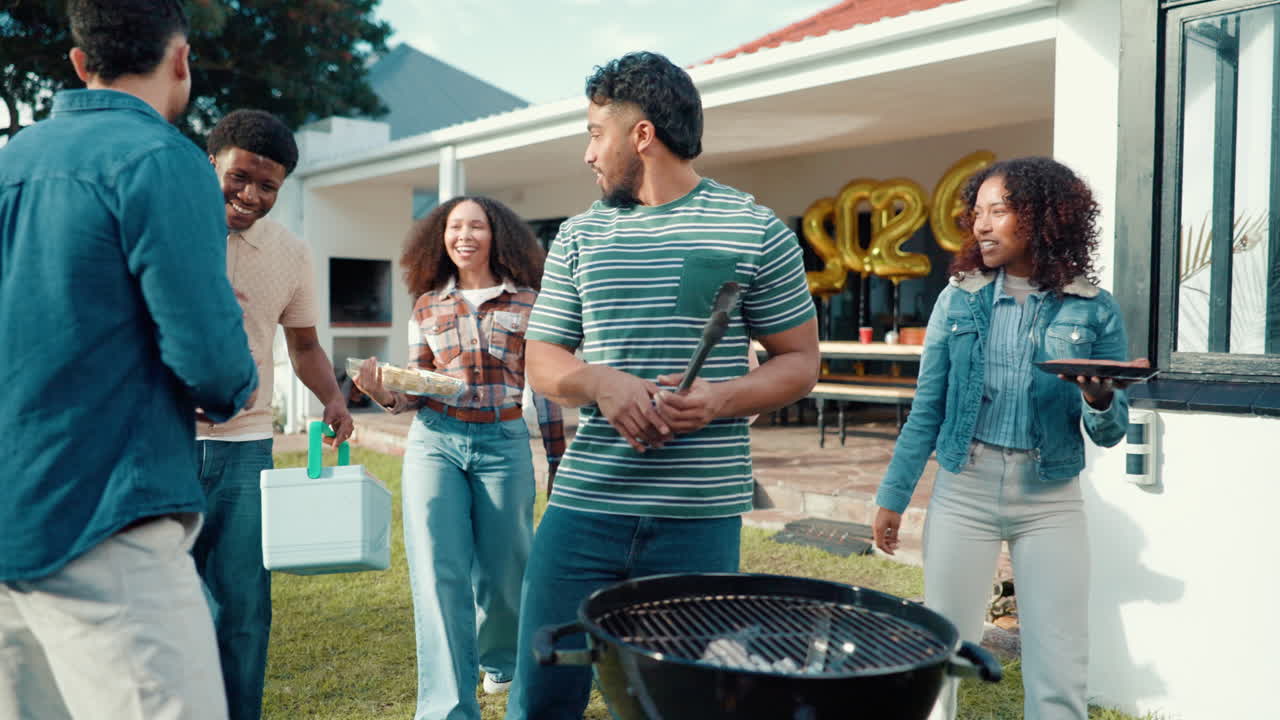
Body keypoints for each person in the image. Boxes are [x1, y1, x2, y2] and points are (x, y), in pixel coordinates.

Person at [505, 51, 820, 720]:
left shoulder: (754, 228)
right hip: (585, 507)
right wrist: (599, 382)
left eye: (595, 132)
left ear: (641, 135)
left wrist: (719, 399)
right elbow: (541, 359)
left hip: (697, 520)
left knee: (680, 707)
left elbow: (799, 362)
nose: (588, 153)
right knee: (541, 696)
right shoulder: (579, 237)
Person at [0, 1, 258, 718]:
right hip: (106, 517)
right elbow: (213, 364)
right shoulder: (164, 159)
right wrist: (227, 375)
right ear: (181, 60)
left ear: (82, 65)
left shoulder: (10, 158)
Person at [871, 156, 1131, 720]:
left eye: (999, 211)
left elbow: (1111, 431)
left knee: (1060, 661)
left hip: (1050, 499)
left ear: (1043, 216)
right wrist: (893, 496)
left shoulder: (1092, 308)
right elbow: (927, 409)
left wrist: (1099, 398)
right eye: (977, 214)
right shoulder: (956, 299)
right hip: (965, 488)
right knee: (941, 652)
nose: (982, 225)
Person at [354, 196, 564, 720]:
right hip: (435, 441)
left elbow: (547, 389)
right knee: (437, 571)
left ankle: (501, 660)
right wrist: (382, 391)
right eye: (454, 226)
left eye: (476, 225)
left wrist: (558, 460)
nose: (464, 234)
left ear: (498, 236)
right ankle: (448, 708)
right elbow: (415, 388)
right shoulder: (427, 304)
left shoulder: (530, 302)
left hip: (504, 440)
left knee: (504, 572)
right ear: (440, 238)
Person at [194, 108, 355, 720]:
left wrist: (334, 398)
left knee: (242, 609)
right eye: (240, 177)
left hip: (246, 448)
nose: (251, 196)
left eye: (269, 187)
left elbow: (305, 345)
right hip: (164, 441)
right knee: (163, 600)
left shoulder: (291, 252)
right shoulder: (171, 230)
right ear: (213, 161)